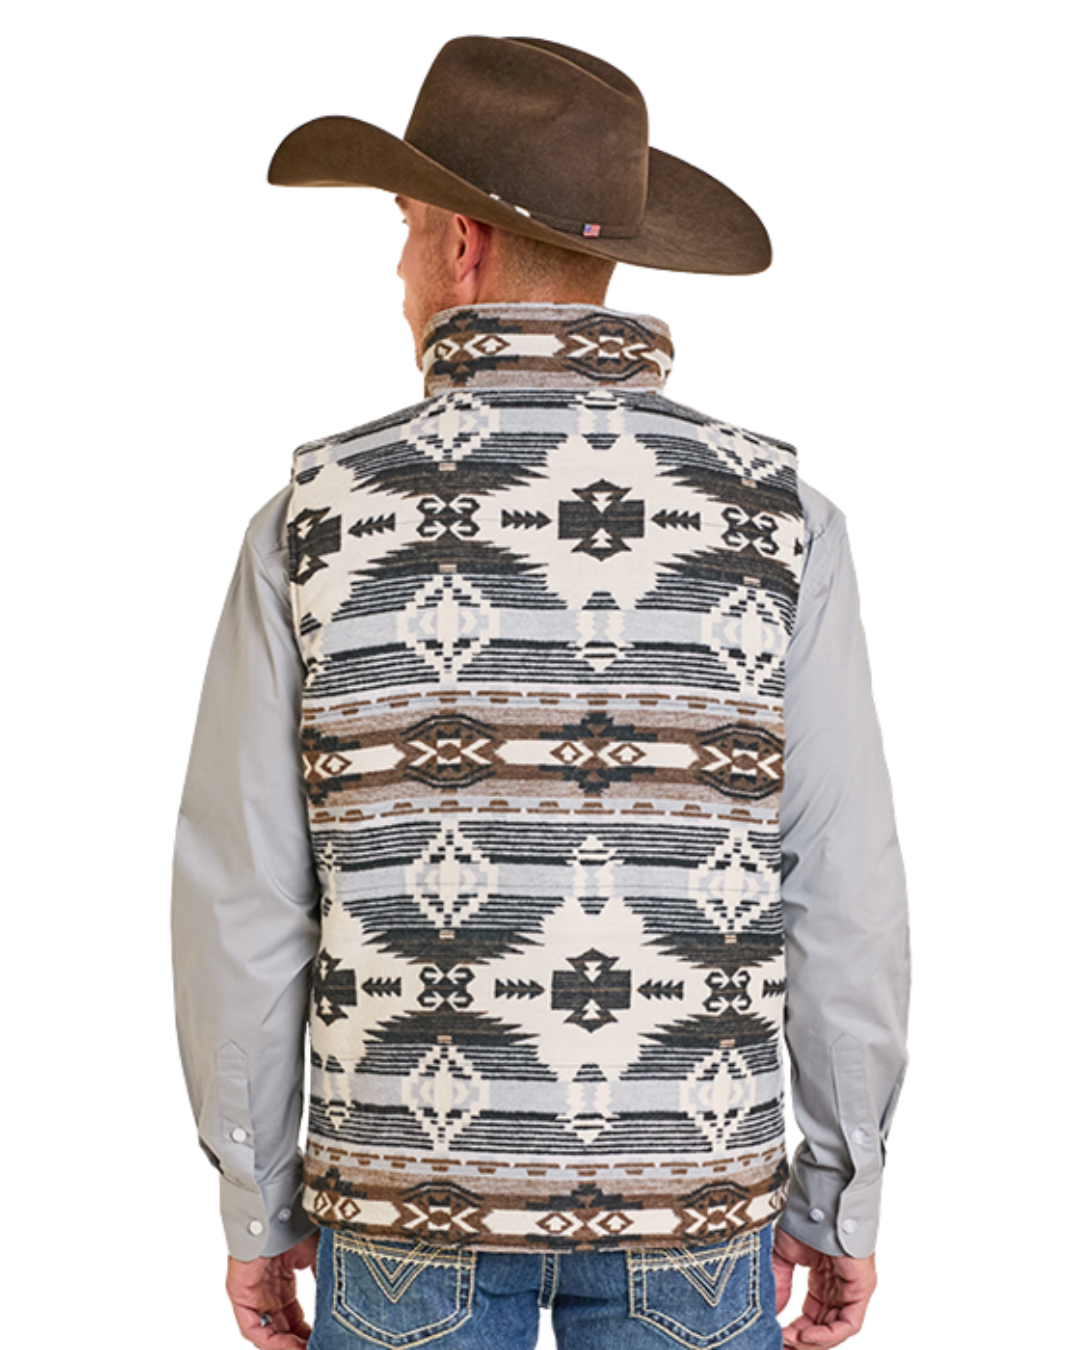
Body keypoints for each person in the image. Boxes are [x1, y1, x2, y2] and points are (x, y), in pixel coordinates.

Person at [172, 35, 909, 1350]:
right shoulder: (780, 521)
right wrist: (841, 1194)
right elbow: (841, 888)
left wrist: (256, 1195)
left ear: (462, 246)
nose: (399, 270)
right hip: (694, 1202)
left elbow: (246, 899)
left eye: (404, 230)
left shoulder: (312, 521)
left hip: (404, 1198)